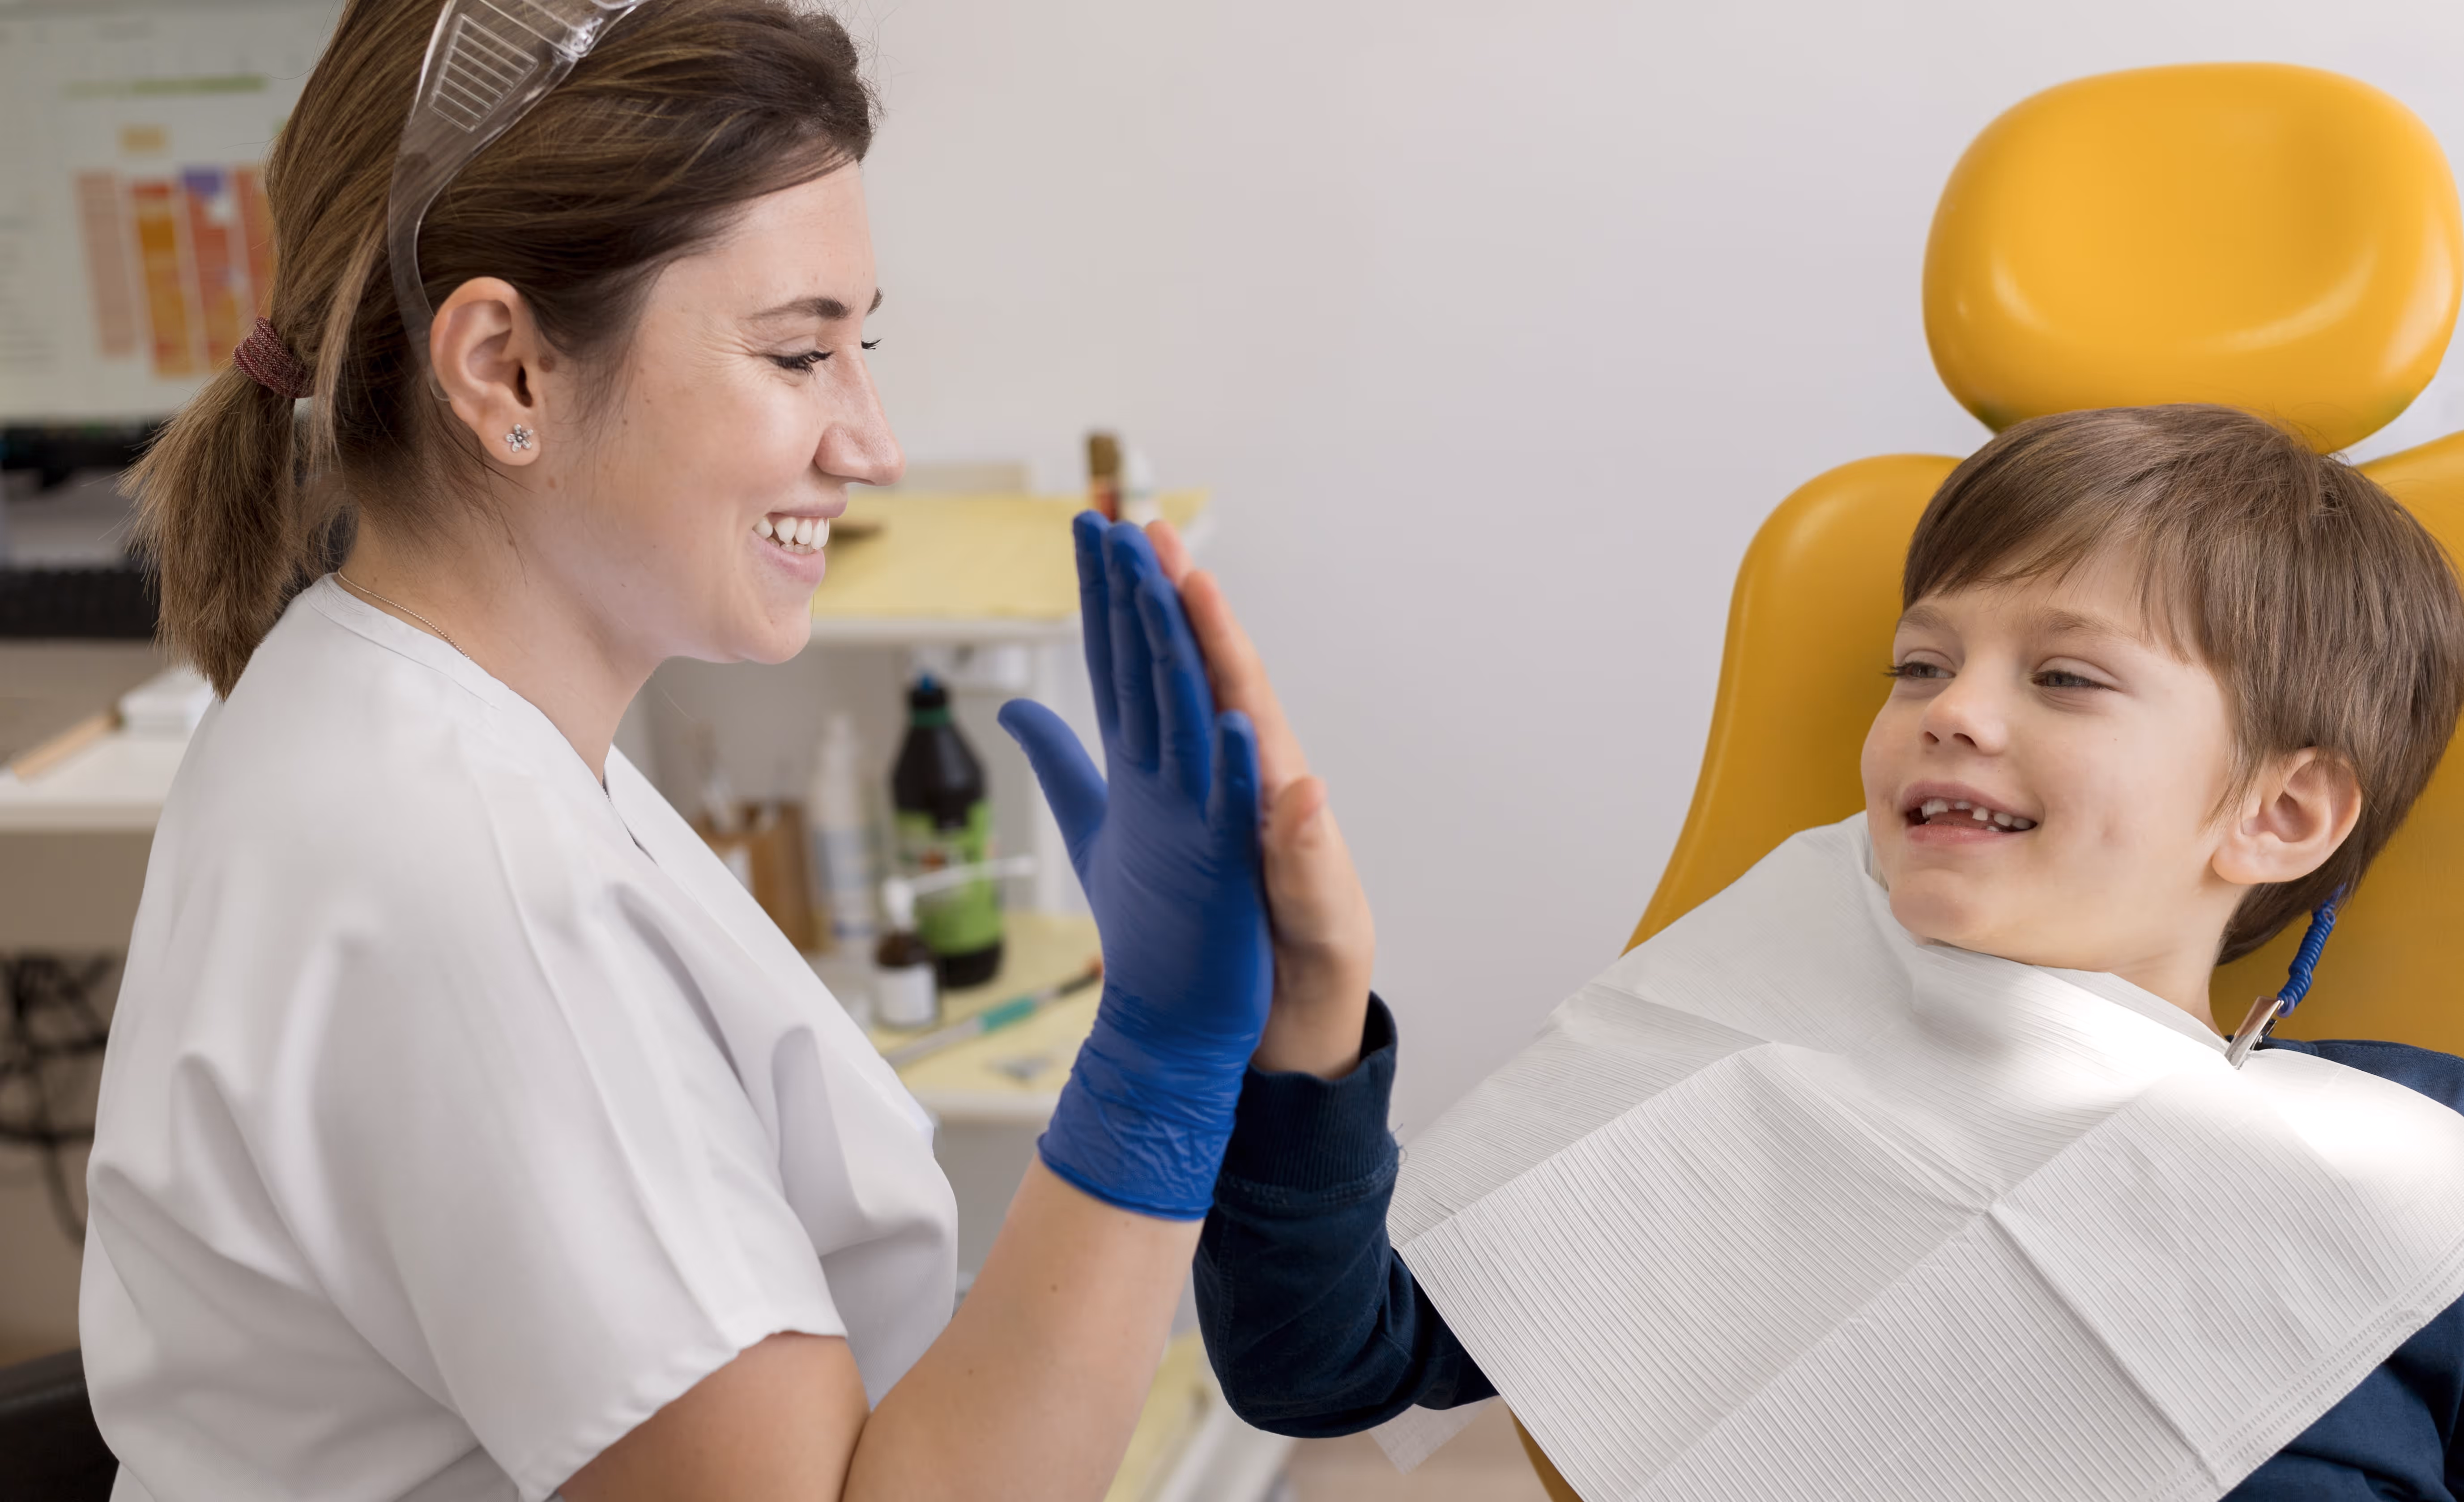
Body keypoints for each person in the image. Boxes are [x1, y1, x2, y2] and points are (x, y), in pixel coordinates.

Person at [83, 4, 1295, 1499]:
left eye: (864, 346)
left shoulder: (378, 700)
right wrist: (1158, 1080)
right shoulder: (475, 880)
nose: (873, 443)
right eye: (798, 355)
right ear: (506, 371)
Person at [1034, 406, 2464, 1497]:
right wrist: (1308, 1024)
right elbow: (1321, 1360)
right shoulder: (1763, 1003)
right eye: (1918, 663)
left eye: (2065, 676)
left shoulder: (2414, 1149)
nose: (1951, 710)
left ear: (2281, 812)